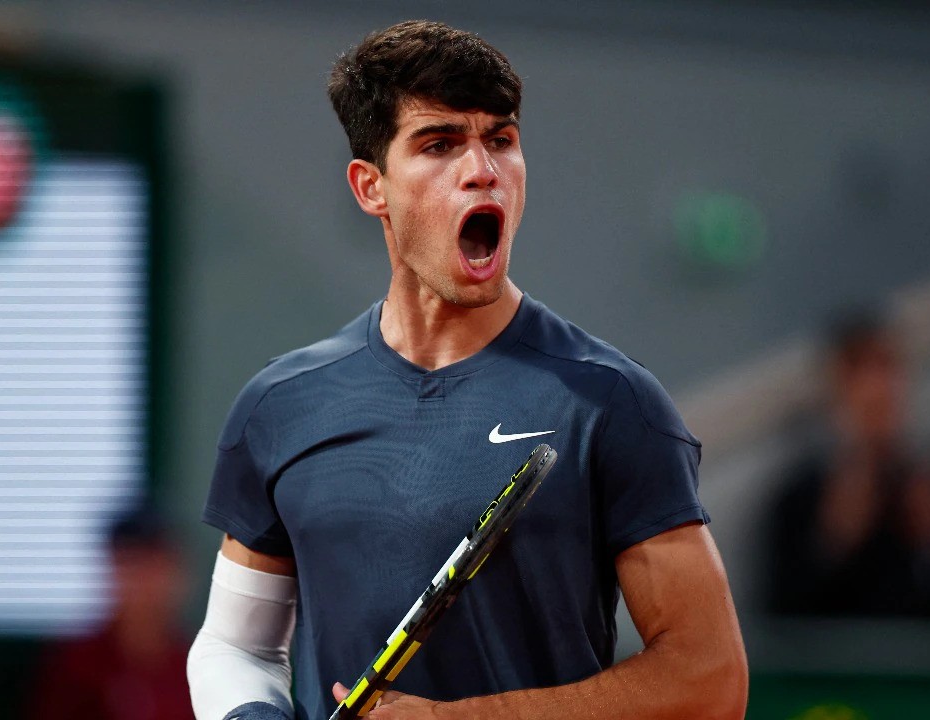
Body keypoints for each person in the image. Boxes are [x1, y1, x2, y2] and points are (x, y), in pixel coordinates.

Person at [185, 20, 747, 720]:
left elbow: (709, 679)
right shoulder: (281, 406)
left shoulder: (611, 402)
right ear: (371, 187)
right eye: (440, 143)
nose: (482, 168)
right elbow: (235, 649)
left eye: (501, 139)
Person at [764, 313, 930, 618]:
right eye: (857, 371)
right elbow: (782, 620)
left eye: (887, 366)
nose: (876, 387)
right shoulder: (795, 502)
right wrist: (834, 541)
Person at [27, 509, 195, 720]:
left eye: (154, 567)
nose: (143, 585)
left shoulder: (197, 663)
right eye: (131, 567)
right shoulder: (79, 665)